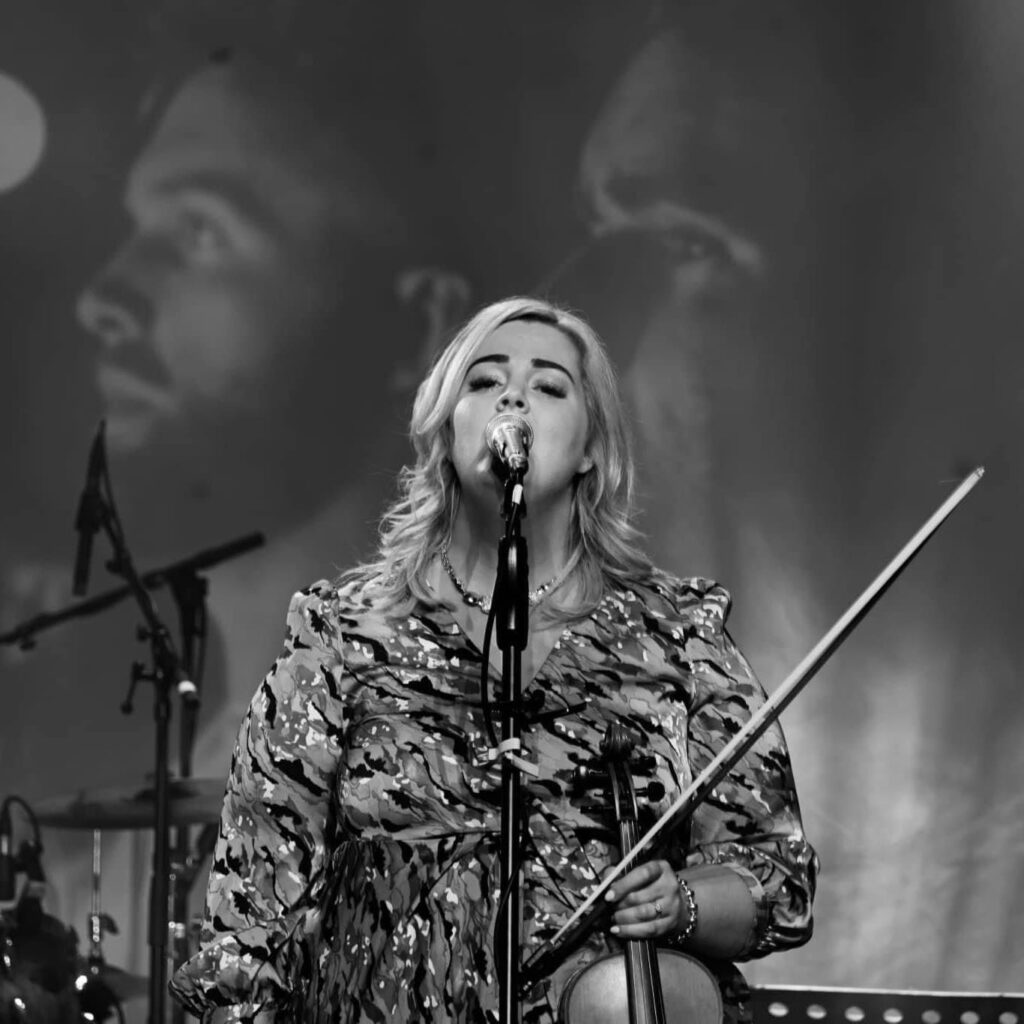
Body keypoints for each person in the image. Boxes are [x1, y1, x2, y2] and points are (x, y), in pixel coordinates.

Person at [169, 296, 817, 1024]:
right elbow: (251, 921)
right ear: (446, 431)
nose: (513, 395)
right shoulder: (342, 634)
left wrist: (683, 903)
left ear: (591, 450)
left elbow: (780, 878)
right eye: (483, 381)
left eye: (548, 385)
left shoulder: (677, 637)